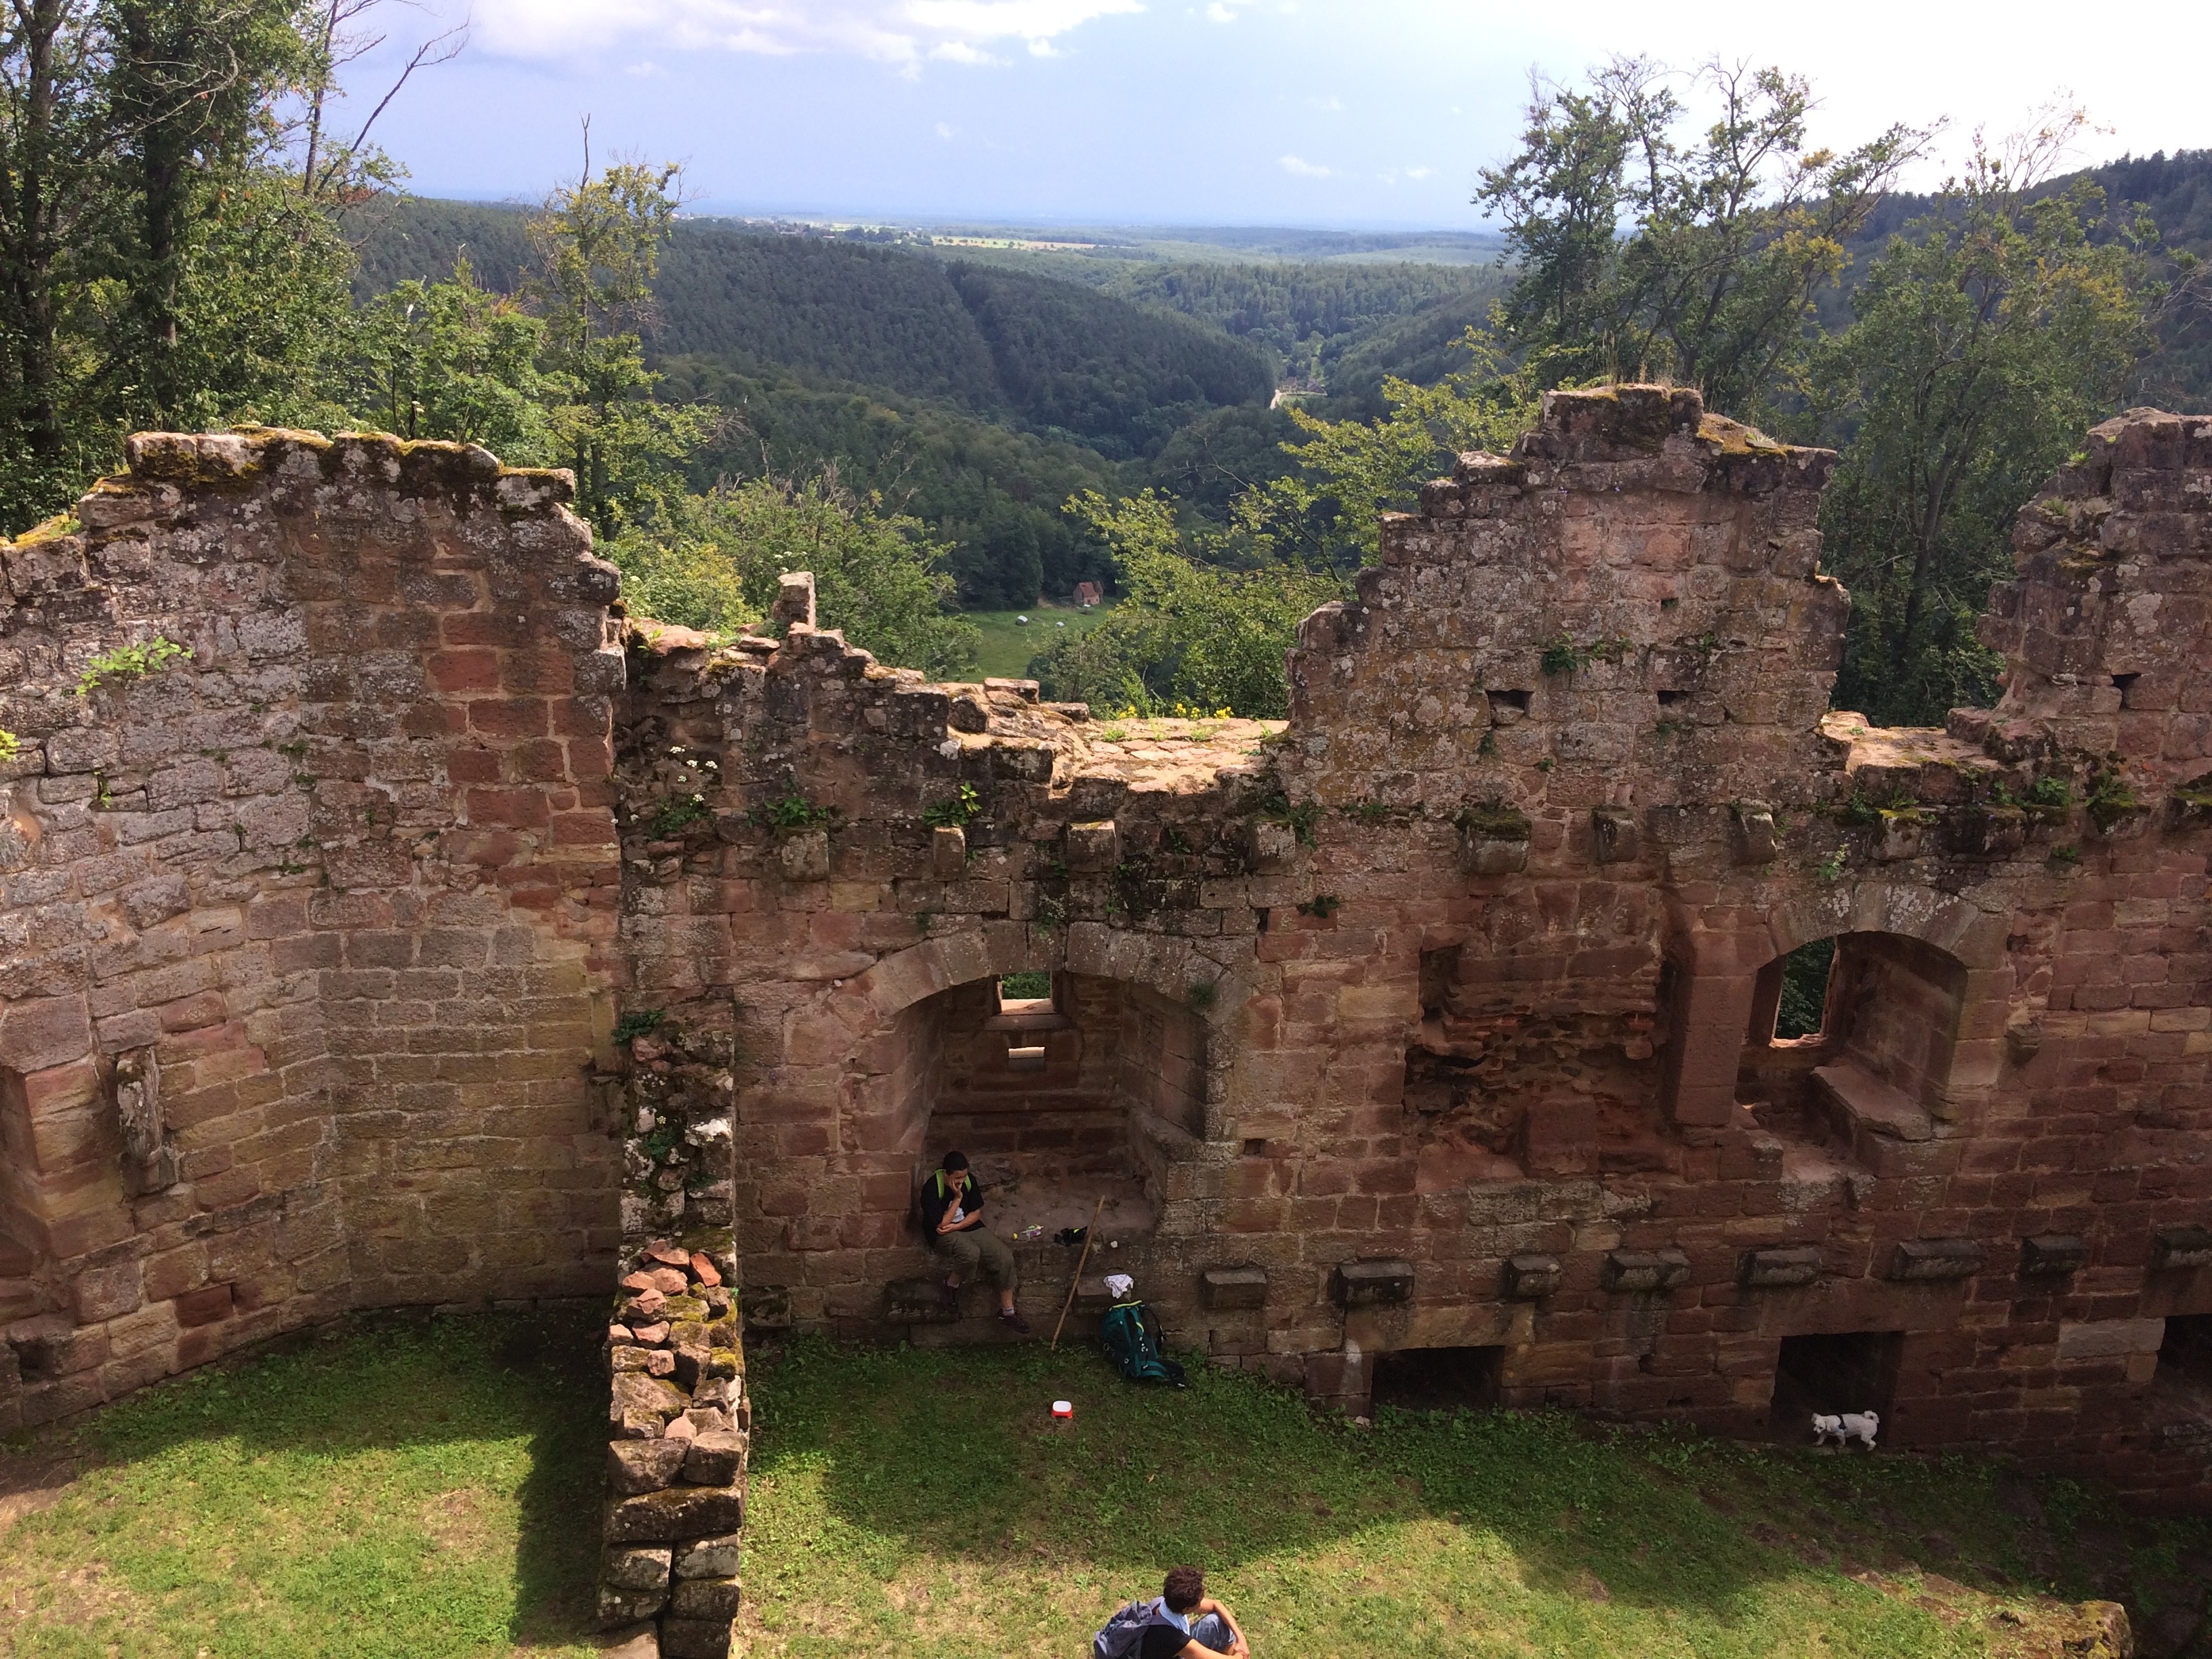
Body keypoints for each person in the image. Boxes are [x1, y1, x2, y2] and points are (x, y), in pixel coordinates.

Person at [920, 1151, 1028, 1332]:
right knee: (970, 1254)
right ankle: (951, 1284)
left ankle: (1008, 1312)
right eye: (957, 1178)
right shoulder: (932, 1188)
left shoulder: (970, 1181)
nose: (961, 1181)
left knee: (1004, 1257)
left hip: (966, 1226)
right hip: (941, 1233)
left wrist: (958, 1225)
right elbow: (942, 1223)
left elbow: (976, 1213)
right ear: (946, 1174)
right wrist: (958, 1198)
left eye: (964, 1176)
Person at [1139, 1567, 1249, 1659]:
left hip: (1170, 1650)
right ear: (1187, 1609)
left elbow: (1215, 1605)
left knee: (1217, 1621)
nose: (1203, 1601)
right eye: (1200, 1600)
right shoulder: (1174, 1639)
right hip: (1175, 1648)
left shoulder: (1164, 1602)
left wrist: (1240, 1637)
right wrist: (1241, 1654)